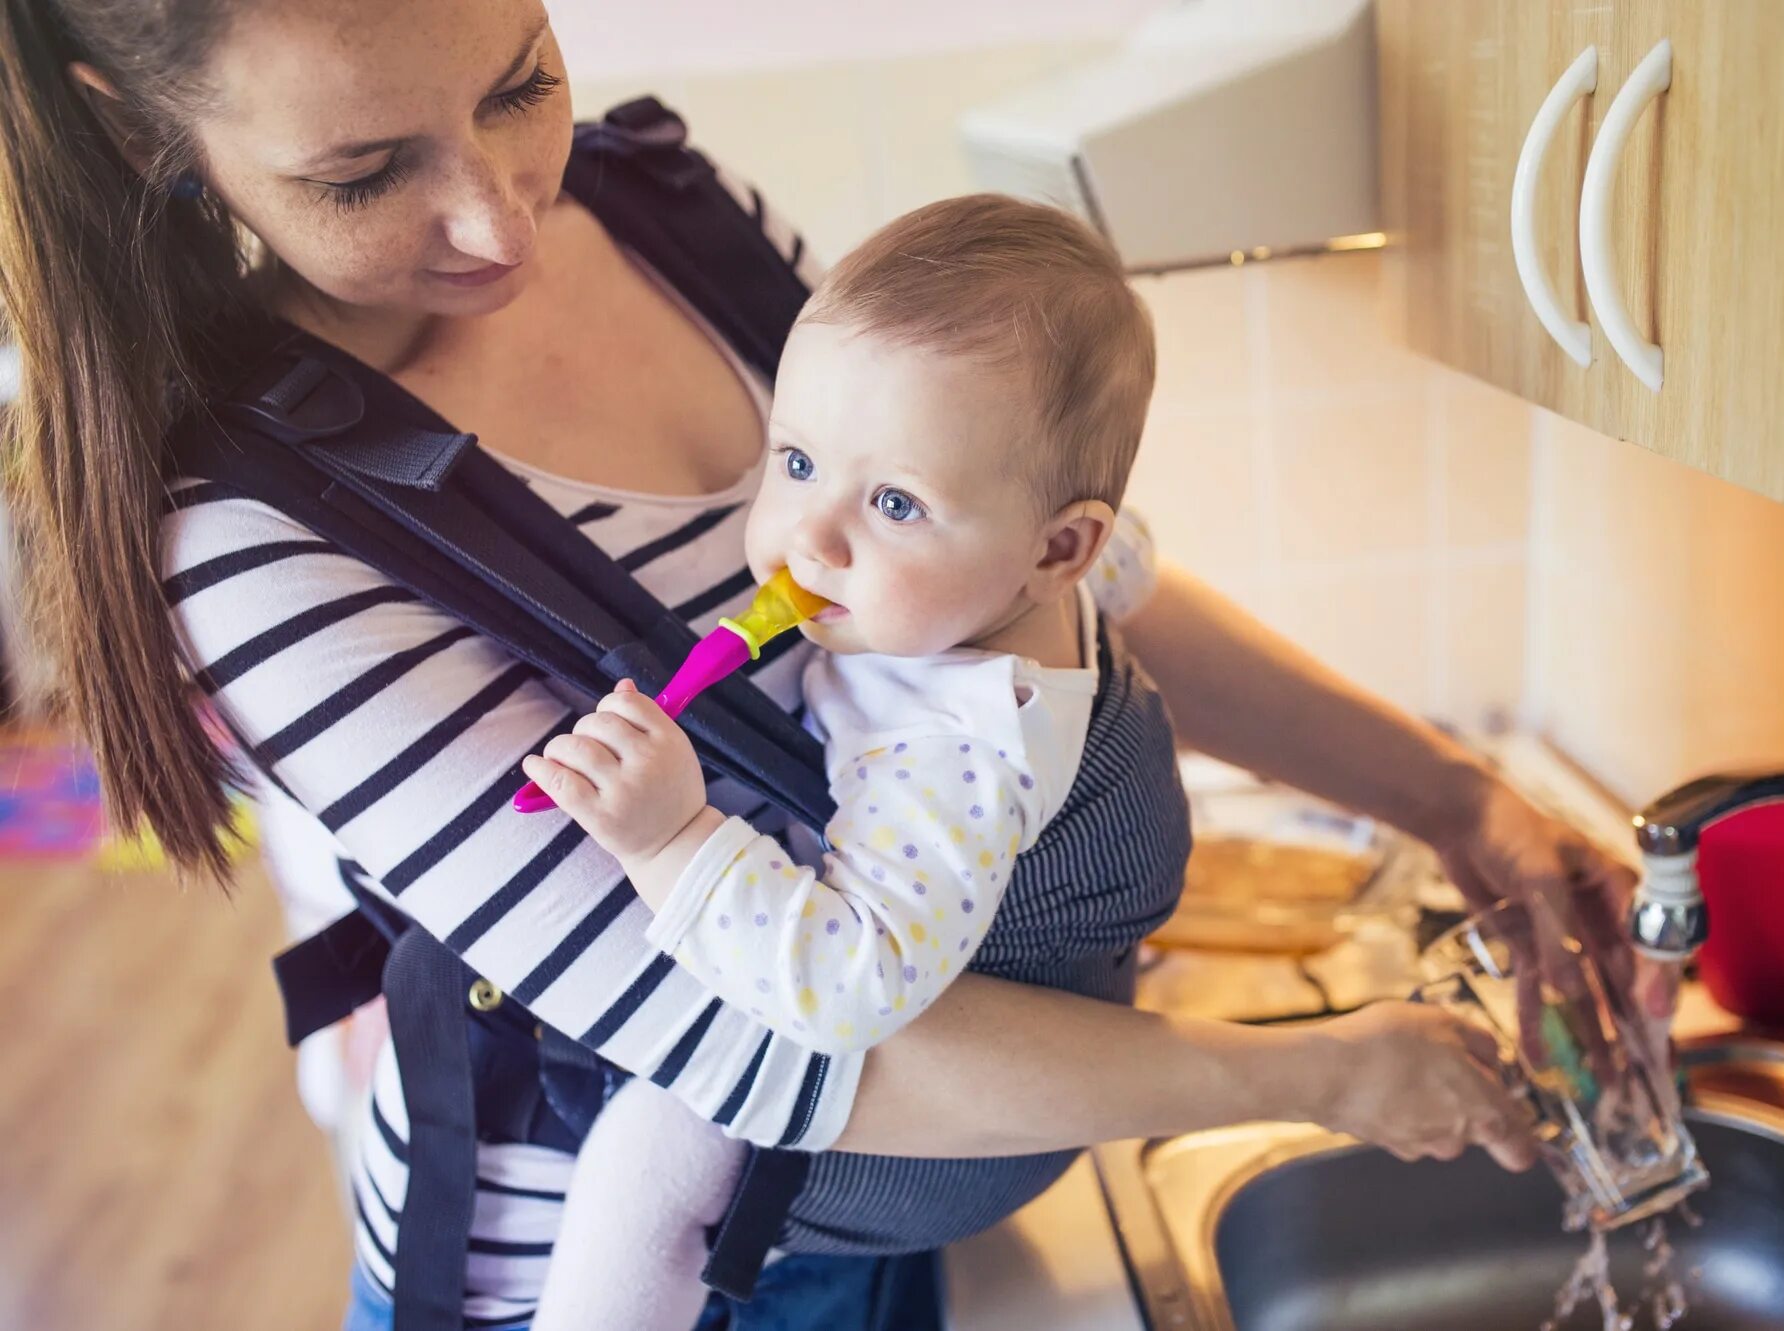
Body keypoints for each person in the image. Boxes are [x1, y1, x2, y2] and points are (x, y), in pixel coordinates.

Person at [0, 1, 1666, 1325]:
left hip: (889, 1206)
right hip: (631, 1275)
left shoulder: (665, 206)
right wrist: (1313, 1069)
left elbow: (1010, 580)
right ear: (143, 126)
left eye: (520, 82)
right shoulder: (250, 540)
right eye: (365, 173)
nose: (502, 216)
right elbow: (768, 1046)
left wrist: (1458, 801)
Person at [523, 192, 1185, 1330]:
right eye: (793, 458)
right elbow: (1130, 565)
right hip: (1022, 1078)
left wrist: (669, 841)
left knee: (654, 1144)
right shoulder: (1056, 573)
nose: (808, 540)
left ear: (1052, 544)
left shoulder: (946, 742)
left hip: (936, 1153)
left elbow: (844, 985)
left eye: (893, 502)